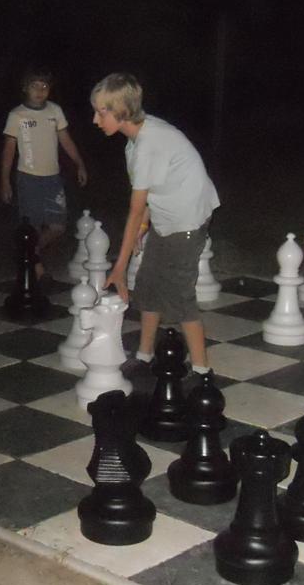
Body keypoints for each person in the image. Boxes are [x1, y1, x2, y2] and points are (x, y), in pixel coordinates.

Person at [92, 72, 220, 381]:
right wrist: (145, 226)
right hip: (167, 219)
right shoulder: (135, 142)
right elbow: (149, 196)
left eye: (101, 112)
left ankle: (202, 373)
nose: (95, 120)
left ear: (122, 111)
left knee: (179, 293)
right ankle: (144, 356)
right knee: (148, 284)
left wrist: (119, 266)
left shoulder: (148, 144)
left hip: (186, 221)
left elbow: (135, 209)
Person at [0, 67, 88, 279]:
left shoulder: (55, 111)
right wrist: (4, 180)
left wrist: (80, 163)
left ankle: (30, 250)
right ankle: (35, 266)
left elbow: (65, 139)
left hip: (52, 179)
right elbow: (9, 149)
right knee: (33, 226)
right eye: (34, 86)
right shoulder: (17, 115)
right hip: (28, 178)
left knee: (58, 226)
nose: (40, 91)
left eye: (44, 86)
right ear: (25, 88)